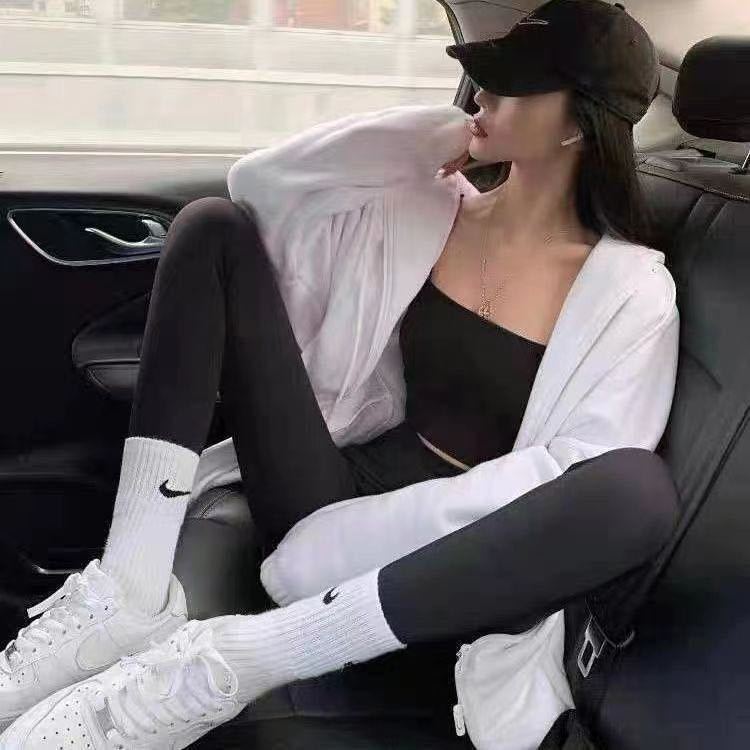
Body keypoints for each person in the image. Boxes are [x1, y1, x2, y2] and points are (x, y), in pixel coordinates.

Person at [0, 1, 681, 748]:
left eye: (513, 85)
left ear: (576, 124)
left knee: (633, 486)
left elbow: (576, 478)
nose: (483, 95)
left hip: (448, 560)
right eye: (485, 79)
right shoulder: (432, 204)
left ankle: (232, 660)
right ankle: (129, 588)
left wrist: (365, 536)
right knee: (210, 227)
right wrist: (422, 138)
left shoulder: (629, 291)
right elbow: (261, 185)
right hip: (332, 485)